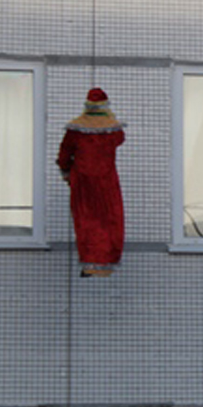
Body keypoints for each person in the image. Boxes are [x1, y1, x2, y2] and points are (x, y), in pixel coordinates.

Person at [57, 88, 125, 277]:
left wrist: (66, 172)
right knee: (109, 220)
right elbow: (120, 139)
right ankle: (107, 263)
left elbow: (64, 154)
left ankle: (89, 264)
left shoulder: (75, 131)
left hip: (82, 182)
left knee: (85, 221)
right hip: (107, 182)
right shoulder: (113, 131)